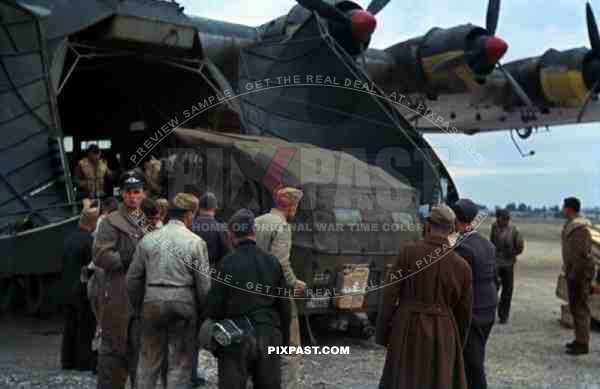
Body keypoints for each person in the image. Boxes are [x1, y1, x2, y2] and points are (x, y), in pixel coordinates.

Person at [376, 204, 472, 389]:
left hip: (406, 326)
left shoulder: (407, 253)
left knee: (403, 380)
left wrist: (383, 333)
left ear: (428, 225)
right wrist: (456, 342)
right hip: (444, 331)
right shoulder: (462, 266)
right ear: (452, 229)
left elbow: (389, 294)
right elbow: (464, 312)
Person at [127, 193, 211, 388]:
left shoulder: (148, 240)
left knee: (148, 359)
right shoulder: (196, 242)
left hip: (152, 302)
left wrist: (139, 305)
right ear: (189, 215)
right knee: (180, 362)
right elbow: (204, 284)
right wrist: (203, 311)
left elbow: (132, 279)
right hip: (183, 304)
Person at [205, 209, 291, 389]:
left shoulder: (226, 263)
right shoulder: (272, 262)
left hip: (236, 336)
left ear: (230, 234)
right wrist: (284, 339)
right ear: (254, 232)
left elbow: (214, 306)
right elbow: (284, 305)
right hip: (269, 333)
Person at [92, 170, 146, 389]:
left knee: (143, 358)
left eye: (136, 192)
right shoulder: (110, 222)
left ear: (143, 193)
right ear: (121, 194)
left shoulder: (150, 220)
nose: (132, 197)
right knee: (114, 354)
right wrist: (127, 259)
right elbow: (100, 255)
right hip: (118, 294)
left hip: (144, 297)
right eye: (128, 192)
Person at [255, 186, 305, 389]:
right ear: (292, 206)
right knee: (291, 347)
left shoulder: (257, 221)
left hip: (255, 291)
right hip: (278, 293)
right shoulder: (282, 227)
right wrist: (295, 282)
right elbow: (281, 263)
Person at [451, 199, 498, 389]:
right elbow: (496, 277)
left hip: (473, 310)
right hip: (488, 306)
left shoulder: (463, 247)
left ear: (456, 220)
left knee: (472, 363)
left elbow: (457, 284)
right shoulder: (487, 244)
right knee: (475, 355)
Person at [189, 192, 230, 386]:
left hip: (188, 279)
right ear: (215, 208)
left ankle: (185, 373)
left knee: (187, 330)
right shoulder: (220, 227)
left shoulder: (190, 225)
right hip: (212, 279)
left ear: (198, 208)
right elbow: (227, 256)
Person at [61, 202, 100, 372]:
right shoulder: (89, 241)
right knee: (85, 327)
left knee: (69, 326)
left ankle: (67, 360)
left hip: (68, 287)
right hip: (82, 289)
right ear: (92, 223)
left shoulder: (68, 239)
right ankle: (83, 362)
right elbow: (90, 268)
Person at [561, 197, 594, 355]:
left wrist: (574, 275)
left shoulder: (579, 228)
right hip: (574, 273)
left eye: (564, 207)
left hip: (579, 275)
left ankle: (583, 343)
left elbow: (581, 256)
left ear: (569, 209)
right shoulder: (572, 225)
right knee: (576, 308)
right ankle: (579, 339)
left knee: (581, 308)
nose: (562, 210)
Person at [490, 208, 524, 324]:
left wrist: (512, 254)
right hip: (496, 263)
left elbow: (520, 246)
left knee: (507, 290)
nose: (502, 221)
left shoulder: (514, 230)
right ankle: (491, 312)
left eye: (505, 219)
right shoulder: (494, 227)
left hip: (508, 264)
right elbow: (492, 243)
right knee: (493, 289)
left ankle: (503, 316)